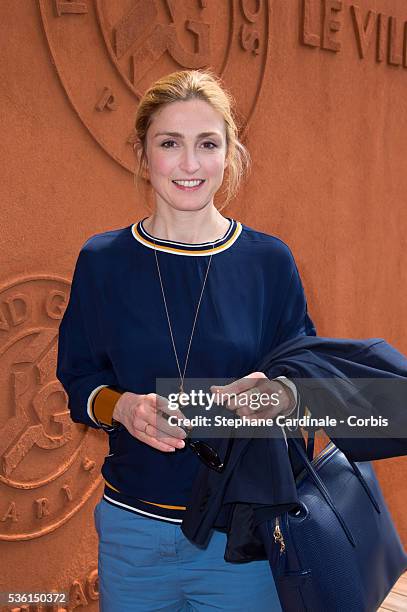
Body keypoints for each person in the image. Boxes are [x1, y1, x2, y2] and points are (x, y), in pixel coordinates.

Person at [56, 69, 316, 611]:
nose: (190, 164)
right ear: (143, 152)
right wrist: (121, 407)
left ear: (229, 153)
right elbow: (79, 379)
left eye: (207, 144)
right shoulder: (102, 261)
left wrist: (276, 396)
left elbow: (309, 388)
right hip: (133, 536)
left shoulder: (269, 262)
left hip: (238, 543)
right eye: (170, 143)